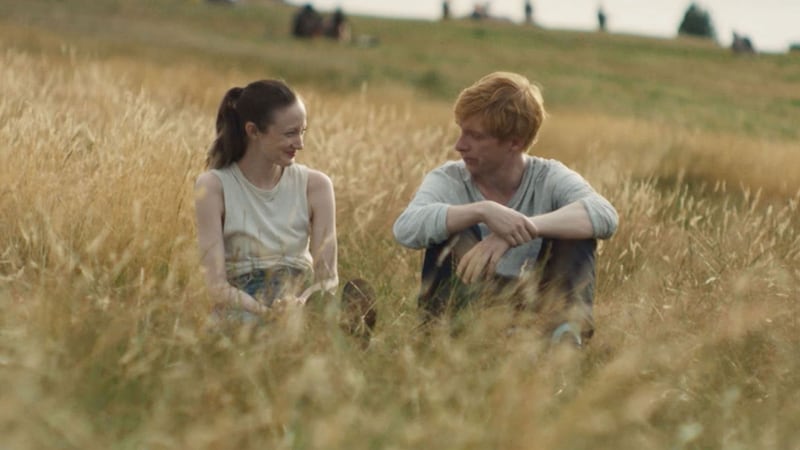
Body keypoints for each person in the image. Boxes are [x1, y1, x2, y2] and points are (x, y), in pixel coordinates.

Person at [393, 72, 618, 347]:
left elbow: (604, 215)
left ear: (515, 142)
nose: (459, 145)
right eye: (462, 131)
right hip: (471, 302)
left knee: (577, 233)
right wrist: (482, 211)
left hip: (536, 302)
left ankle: (563, 340)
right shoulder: (449, 178)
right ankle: (445, 338)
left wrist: (521, 229)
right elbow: (405, 229)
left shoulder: (548, 176)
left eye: (475, 136)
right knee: (449, 227)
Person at [195, 79, 339, 324]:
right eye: (290, 133)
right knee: (245, 327)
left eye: (302, 132)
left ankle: (337, 328)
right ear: (253, 131)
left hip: (299, 298)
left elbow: (328, 279)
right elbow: (216, 286)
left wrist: (301, 303)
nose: (300, 144)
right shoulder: (213, 186)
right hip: (244, 302)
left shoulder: (317, 186)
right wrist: (268, 314)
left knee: (325, 315)